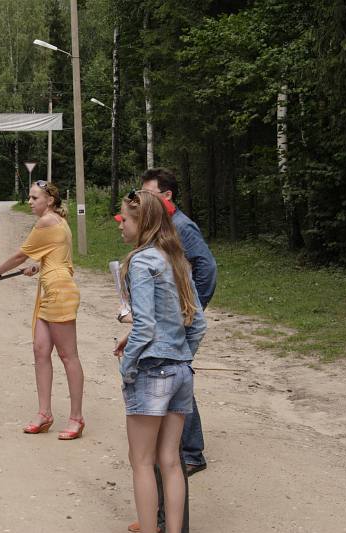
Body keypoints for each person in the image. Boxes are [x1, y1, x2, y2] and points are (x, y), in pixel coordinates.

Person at [114, 189, 207, 533]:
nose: (120, 225)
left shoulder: (140, 261)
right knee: (170, 461)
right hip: (181, 371)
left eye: (125, 218)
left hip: (152, 372)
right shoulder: (176, 258)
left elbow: (146, 326)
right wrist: (181, 354)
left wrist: (128, 368)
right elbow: (198, 323)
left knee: (140, 461)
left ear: (142, 222)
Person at [0, 180, 85, 440]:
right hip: (49, 290)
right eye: (29, 198)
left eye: (34, 198)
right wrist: (38, 267)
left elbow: (20, 255)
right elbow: (55, 255)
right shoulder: (57, 222)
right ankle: (45, 414)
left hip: (60, 292)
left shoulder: (47, 222)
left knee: (68, 355)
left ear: (49, 200)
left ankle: (76, 418)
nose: (30, 202)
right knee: (40, 351)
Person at [142, 167, 216, 475]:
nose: (143, 198)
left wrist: (190, 306)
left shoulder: (183, 226)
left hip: (182, 320)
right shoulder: (162, 225)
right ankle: (177, 447)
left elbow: (207, 268)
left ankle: (191, 453)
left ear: (166, 195)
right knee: (176, 377)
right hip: (174, 319)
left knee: (176, 377)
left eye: (148, 193)